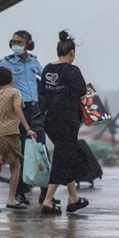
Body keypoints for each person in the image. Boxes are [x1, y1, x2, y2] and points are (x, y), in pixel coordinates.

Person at [0, 29, 44, 205]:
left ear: (28, 43)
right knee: (19, 152)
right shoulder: (6, 62)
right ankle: (20, 192)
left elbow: (44, 78)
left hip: (34, 108)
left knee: (40, 148)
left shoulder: (34, 61)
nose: (16, 45)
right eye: (13, 42)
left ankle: (45, 191)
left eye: (19, 42)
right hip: (18, 109)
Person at [38, 31, 90, 215]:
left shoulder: (47, 69)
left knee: (65, 154)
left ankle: (73, 197)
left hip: (50, 120)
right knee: (62, 158)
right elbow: (82, 92)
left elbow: (42, 94)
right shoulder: (72, 70)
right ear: (72, 53)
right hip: (67, 120)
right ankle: (48, 200)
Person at [0, 67, 36, 212]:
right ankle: (11, 198)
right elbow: (18, 109)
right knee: (15, 165)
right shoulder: (14, 92)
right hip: (9, 134)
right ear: (11, 80)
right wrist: (28, 128)